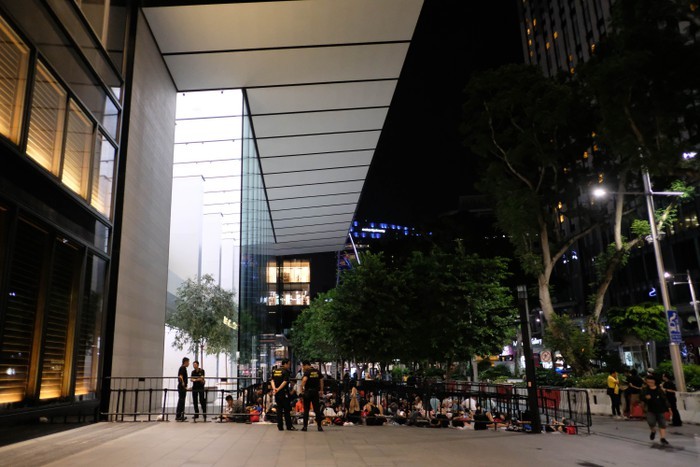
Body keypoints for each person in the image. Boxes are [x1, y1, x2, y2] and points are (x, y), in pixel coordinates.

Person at [640, 374, 670, 446]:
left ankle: (662, 438)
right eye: (648, 382)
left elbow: (664, 399)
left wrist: (668, 407)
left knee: (662, 423)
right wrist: (645, 398)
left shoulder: (659, 389)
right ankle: (653, 431)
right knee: (651, 422)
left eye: (651, 382)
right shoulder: (644, 390)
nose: (650, 383)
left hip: (660, 408)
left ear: (655, 381)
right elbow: (641, 398)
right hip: (650, 409)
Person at [271, 358, 296, 431]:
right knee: (287, 410)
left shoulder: (275, 371)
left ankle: (280, 426)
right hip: (284, 392)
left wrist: (274, 389)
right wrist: (278, 389)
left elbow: (272, 380)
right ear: (285, 364)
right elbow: (285, 381)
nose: (289, 366)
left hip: (277, 393)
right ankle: (289, 426)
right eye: (288, 364)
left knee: (279, 410)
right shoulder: (286, 371)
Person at [300, 360, 324, 431]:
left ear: (306, 365)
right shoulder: (317, 371)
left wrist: (301, 389)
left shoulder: (307, 372)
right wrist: (321, 390)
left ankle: (305, 427)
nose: (303, 368)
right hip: (315, 392)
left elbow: (304, 380)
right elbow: (321, 381)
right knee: (317, 409)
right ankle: (319, 427)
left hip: (308, 392)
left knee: (306, 410)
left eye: (303, 366)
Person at [176, 357, 190, 421]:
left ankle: (181, 415)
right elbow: (181, 377)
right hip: (182, 387)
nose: (188, 363)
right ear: (185, 362)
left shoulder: (183, 368)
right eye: (188, 362)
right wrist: (184, 385)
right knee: (181, 401)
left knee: (182, 401)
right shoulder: (182, 368)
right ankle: (178, 415)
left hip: (182, 387)